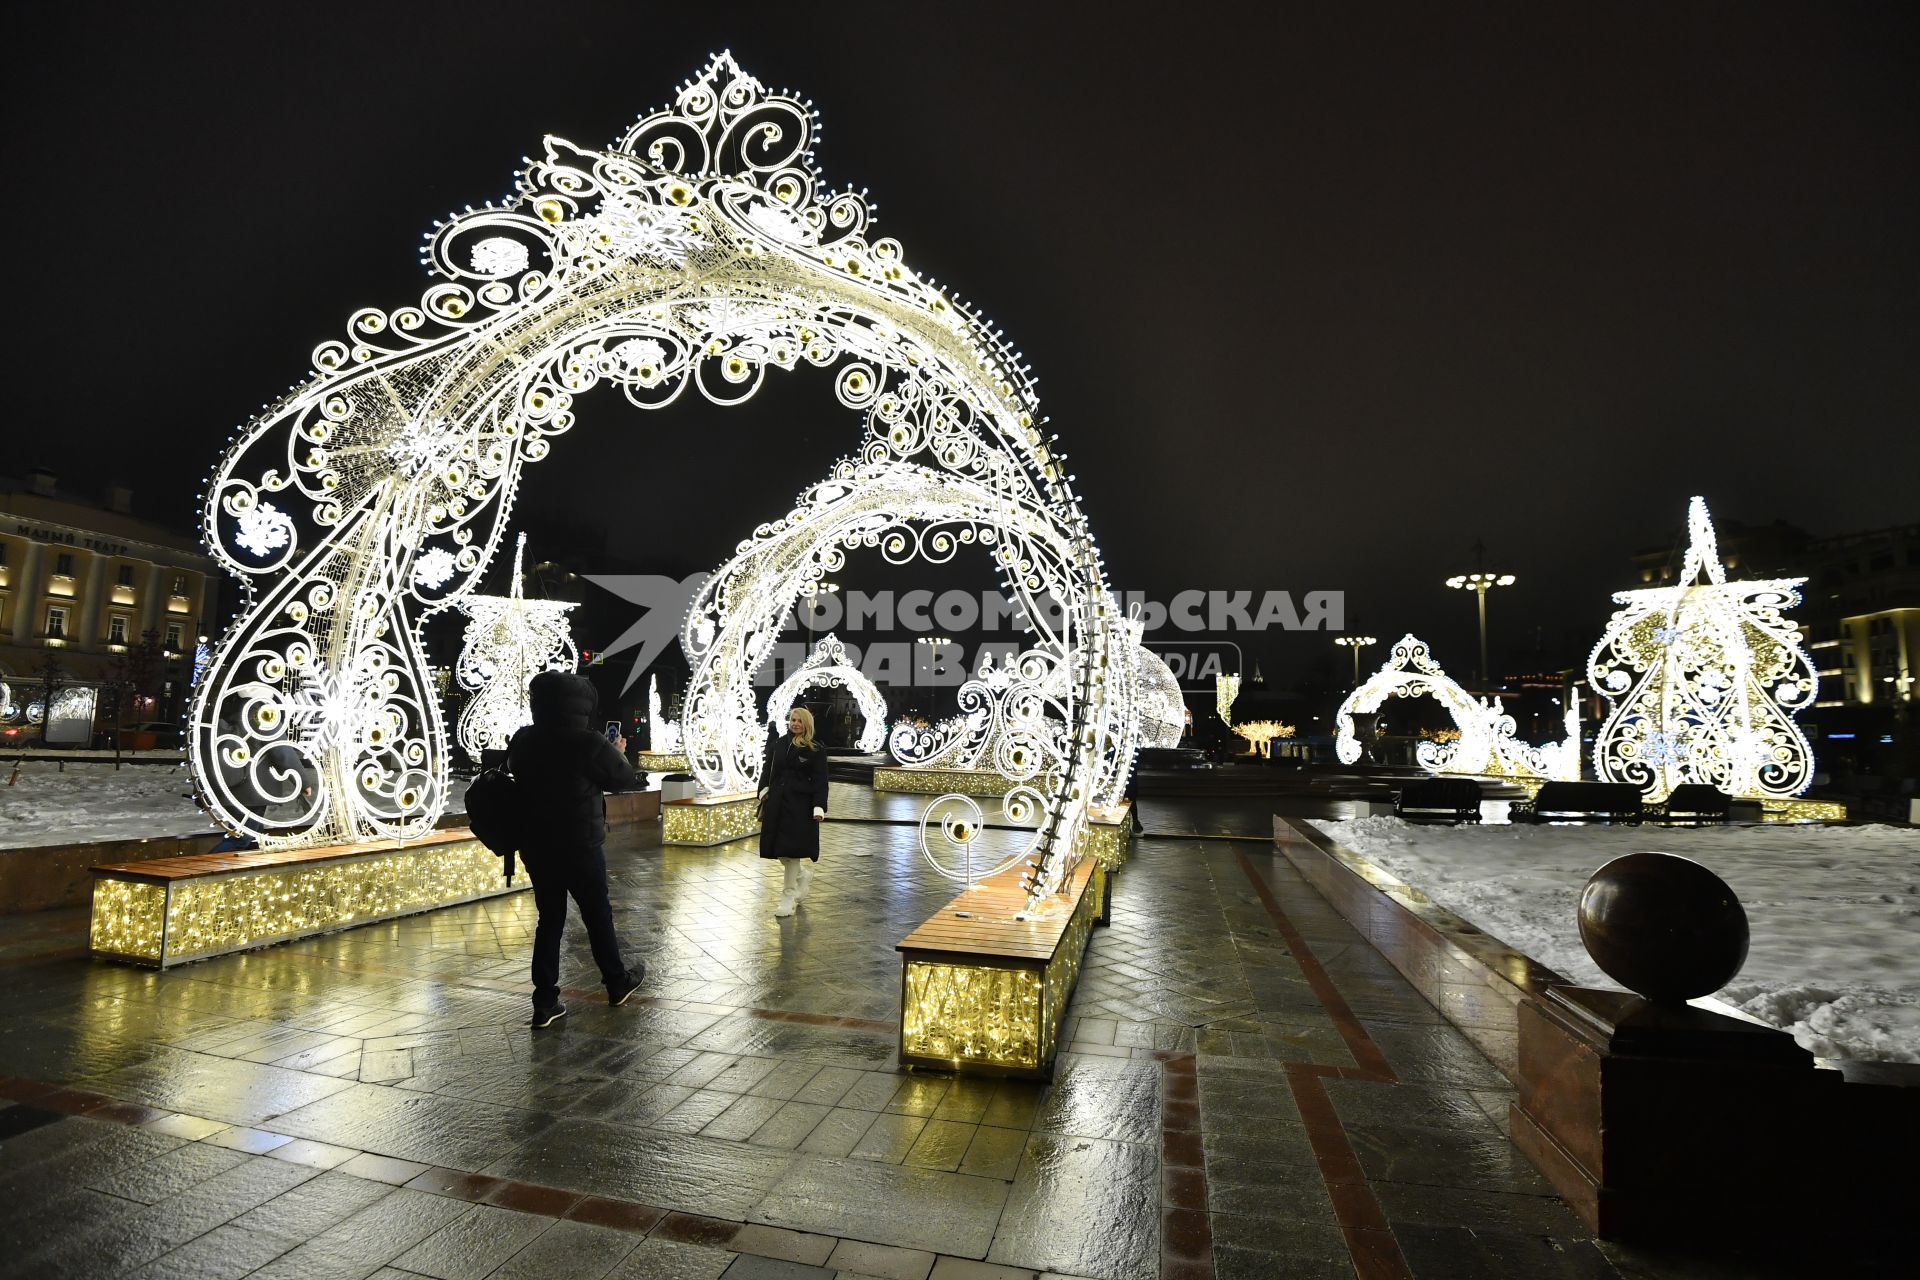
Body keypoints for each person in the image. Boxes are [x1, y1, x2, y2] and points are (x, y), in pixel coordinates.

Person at [506, 670, 644, 1027]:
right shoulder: (589, 742)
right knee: (597, 914)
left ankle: (545, 1001)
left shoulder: (524, 740)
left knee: (549, 919)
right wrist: (618, 754)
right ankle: (616, 983)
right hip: (580, 844)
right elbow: (623, 780)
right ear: (584, 704)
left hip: (537, 845)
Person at [759, 706, 829, 917]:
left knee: (791, 851)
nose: (795, 723)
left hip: (800, 806)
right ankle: (801, 875)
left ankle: (788, 896)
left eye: (799, 720)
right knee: (779, 849)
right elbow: (767, 768)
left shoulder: (815, 749)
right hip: (777, 803)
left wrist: (819, 805)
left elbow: (820, 780)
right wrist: (762, 790)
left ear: (806, 724)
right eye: (793, 719)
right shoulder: (779, 744)